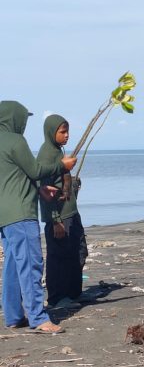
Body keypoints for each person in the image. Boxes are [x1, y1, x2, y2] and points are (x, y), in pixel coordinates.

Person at [1, 101, 76, 334]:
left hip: (4, 217)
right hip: (22, 213)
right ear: (14, 119)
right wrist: (60, 165)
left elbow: (15, 177)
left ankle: (13, 316)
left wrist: (38, 189)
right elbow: (34, 170)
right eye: (23, 119)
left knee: (13, 265)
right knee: (32, 265)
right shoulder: (15, 140)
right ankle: (38, 318)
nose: (24, 124)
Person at [37, 114, 85, 309]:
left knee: (78, 251)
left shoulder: (58, 152)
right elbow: (45, 190)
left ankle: (72, 294)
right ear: (51, 133)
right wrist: (55, 220)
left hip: (70, 212)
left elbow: (62, 182)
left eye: (67, 131)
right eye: (62, 132)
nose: (66, 135)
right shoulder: (47, 155)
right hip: (59, 216)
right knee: (59, 258)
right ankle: (57, 298)